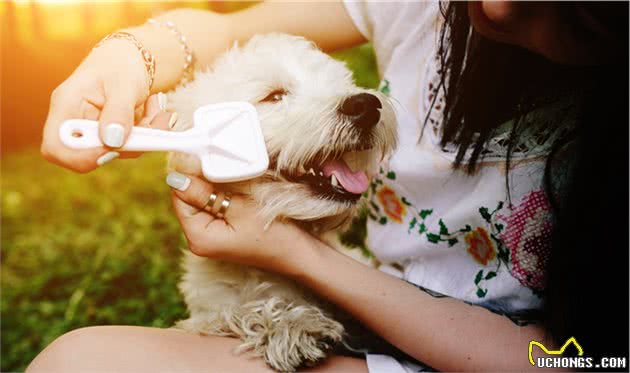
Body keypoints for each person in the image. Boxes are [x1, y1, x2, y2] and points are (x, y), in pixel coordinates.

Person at [30, 2, 628, 372]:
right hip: (373, 318)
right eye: (276, 98)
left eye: (577, 16)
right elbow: (219, 33)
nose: (497, 9)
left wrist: (300, 255)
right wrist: (129, 53)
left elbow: (578, 363)